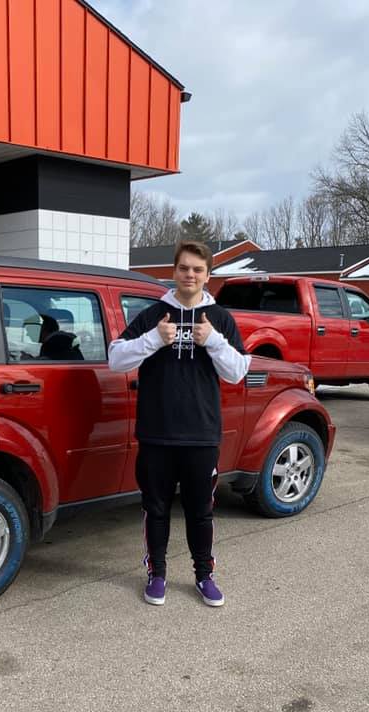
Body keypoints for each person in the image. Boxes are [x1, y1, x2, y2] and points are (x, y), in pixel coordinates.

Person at [108, 240, 250, 607]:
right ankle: (157, 574)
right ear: (174, 271)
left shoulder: (219, 318)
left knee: (200, 512)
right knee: (155, 510)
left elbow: (237, 372)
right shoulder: (154, 314)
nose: (190, 275)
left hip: (201, 435)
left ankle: (204, 576)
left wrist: (213, 341)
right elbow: (115, 359)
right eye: (184, 268)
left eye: (197, 269)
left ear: (208, 275)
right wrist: (153, 339)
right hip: (156, 433)